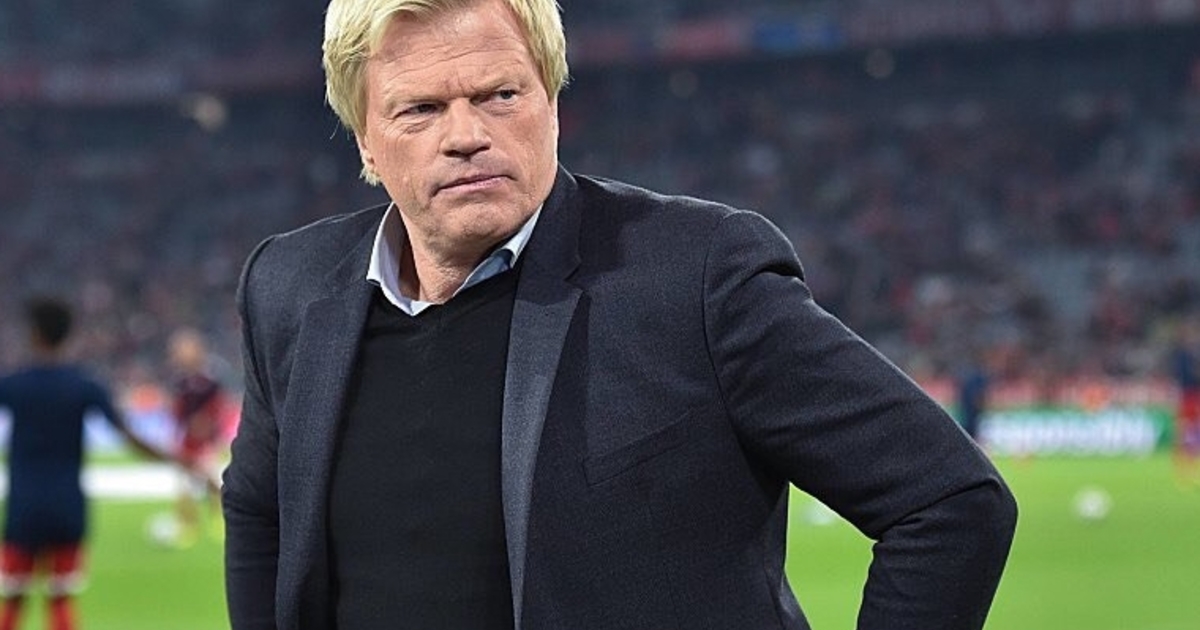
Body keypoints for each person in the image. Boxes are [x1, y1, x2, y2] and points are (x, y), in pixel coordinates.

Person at [222, 1, 1018, 628]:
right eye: (420, 109)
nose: (466, 135)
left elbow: (948, 501)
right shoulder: (288, 288)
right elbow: (261, 510)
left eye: (500, 95)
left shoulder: (697, 274)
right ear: (365, 140)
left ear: (551, 102)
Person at [0, 297, 171, 630]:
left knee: (14, 601)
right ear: (68, 335)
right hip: (67, 506)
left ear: (34, 334)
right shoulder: (84, 386)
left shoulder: (14, 385)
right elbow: (130, 437)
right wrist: (180, 460)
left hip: (24, 507)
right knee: (61, 599)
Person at [162, 328, 229, 546]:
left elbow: (218, 406)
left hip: (207, 439)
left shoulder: (210, 377)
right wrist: (175, 433)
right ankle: (187, 525)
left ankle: (220, 519)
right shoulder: (179, 380)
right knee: (184, 485)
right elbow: (177, 410)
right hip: (186, 439)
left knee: (211, 478)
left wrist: (210, 427)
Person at [1169, 319, 1200, 485]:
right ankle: (1184, 465)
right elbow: (1187, 377)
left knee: (1190, 430)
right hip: (1189, 396)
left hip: (1190, 396)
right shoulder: (1184, 356)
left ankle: (1188, 465)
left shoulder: (1187, 355)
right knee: (1188, 430)